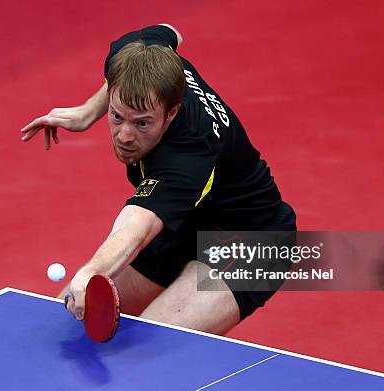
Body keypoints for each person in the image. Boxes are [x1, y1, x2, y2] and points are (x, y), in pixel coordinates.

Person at [21, 24, 296, 335]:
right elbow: (171, 32)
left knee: (152, 353)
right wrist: (88, 112)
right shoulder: (140, 53)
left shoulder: (188, 156)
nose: (125, 135)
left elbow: (136, 228)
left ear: (172, 112)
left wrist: (92, 271)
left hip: (249, 240)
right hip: (184, 227)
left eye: (142, 123)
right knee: (66, 329)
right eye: (116, 115)